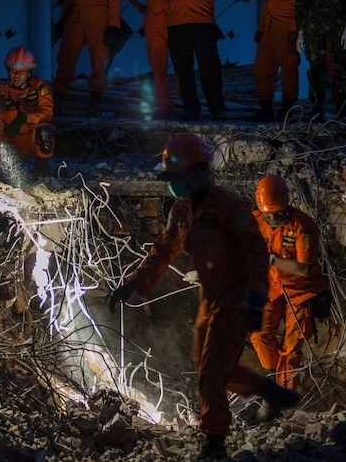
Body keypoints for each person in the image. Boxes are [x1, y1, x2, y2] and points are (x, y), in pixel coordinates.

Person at [110, 133, 301, 460]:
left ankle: (215, 444)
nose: (172, 184)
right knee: (209, 367)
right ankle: (271, 392)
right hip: (211, 298)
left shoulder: (229, 206)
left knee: (212, 372)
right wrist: (134, 284)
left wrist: (256, 297)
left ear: (197, 173)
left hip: (237, 297)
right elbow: (164, 250)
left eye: (175, 178)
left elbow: (256, 252)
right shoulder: (181, 212)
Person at [250, 175, 329, 392]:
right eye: (269, 215)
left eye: (278, 214)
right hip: (271, 288)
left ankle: (282, 395)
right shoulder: (255, 221)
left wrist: (272, 260)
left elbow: (304, 268)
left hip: (301, 292)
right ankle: (274, 374)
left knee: (291, 349)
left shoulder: (303, 227)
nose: (274, 218)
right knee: (259, 334)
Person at [295, 0, 346, 122]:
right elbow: (301, 0)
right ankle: (316, 111)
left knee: (341, 69)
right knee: (314, 70)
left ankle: (344, 113)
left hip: (336, 25)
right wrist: (300, 32)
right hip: (313, 26)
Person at [160, 0, 227, 122]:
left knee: (209, 67)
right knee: (182, 68)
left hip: (202, 20)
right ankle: (191, 108)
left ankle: (217, 109)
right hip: (176, 23)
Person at [53, 0, 121, 117]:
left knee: (98, 60)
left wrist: (113, 25)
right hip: (76, 16)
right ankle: (58, 103)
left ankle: (93, 105)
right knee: (66, 58)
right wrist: (63, 18)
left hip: (98, 17)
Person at [0, 46, 55, 177]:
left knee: (45, 132)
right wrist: (2, 139)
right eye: (13, 70)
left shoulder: (39, 88)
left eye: (21, 71)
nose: (16, 75)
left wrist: (25, 118)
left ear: (29, 73)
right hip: (9, 141)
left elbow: (47, 112)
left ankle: (40, 171)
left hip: (30, 140)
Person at [245, 0, 302, 123]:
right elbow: (267, 2)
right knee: (261, 69)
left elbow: (301, 2)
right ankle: (266, 109)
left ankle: (287, 108)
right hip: (269, 29)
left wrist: (295, 29)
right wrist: (261, 28)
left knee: (288, 67)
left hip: (285, 27)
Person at [122, 0, 173, 120]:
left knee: (182, 64)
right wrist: (138, 6)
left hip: (177, 18)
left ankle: (188, 105)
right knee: (158, 65)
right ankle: (164, 107)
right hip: (155, 22)